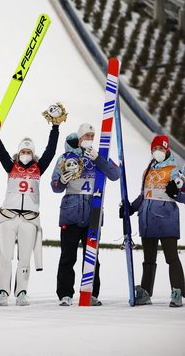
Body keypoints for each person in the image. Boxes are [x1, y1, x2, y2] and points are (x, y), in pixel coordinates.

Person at [0, 103, 64, 306]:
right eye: (23, 151)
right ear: (18, 152)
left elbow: (51, 150)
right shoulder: (10, 165)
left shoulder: (39, 168)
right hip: (8, 217)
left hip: (29, 219)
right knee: (5, 256)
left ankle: (21, 292)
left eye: (29, 151)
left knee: (24, 259)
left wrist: (55, 128)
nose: (26, 154)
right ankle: (3, 292)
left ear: (33, 153)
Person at [51, 123, 120, 306]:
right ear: (79, 139)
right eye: (86, 136)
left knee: (92, 257)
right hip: (71, 213)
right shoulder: (65, 158)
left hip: (93, 214)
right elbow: (54, 186)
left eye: (91, 136)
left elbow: (115, 174)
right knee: (68, 256)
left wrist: (98, 159)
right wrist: (61, 181)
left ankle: (91, 292)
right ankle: (65, 294)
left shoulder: (100, 156)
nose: (89, 139)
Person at [126, 135, 184, 307]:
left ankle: (177, 291)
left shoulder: (174, 169)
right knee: (148, 259)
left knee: (171, 257)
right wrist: (131, 208)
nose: (157, 152)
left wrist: (177, 193)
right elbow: (143, 196)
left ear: (167, 150)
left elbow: (183, 195)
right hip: (147, 220)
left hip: (167, 219)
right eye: (154, 149)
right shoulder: (148, 171)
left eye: (160, 149)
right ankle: (145, 292)